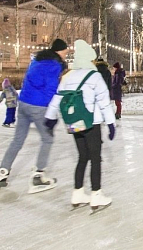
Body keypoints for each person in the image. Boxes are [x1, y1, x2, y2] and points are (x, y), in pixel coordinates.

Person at [0, 38, 69, 196]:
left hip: (24, 104)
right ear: (58, 51)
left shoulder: (36, 61)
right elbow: (51, 89)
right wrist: (52, 112)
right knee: (47, 139)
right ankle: (38, 176)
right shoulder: (54, 65)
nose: (66, 55)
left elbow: (28, 82)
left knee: (17, 140)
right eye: (65, 52)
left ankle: (3, 171)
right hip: (39, 106)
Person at [46, 40, 116, 211]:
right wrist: (111, 122)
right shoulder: (95, 76)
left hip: (74, 123)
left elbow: (57, 97)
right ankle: (96, 195)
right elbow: (104, 102)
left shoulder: (68, 75)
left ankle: (77, 192)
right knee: (95, 159)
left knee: (82, 157)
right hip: (91, 122)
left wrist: (50, 116)